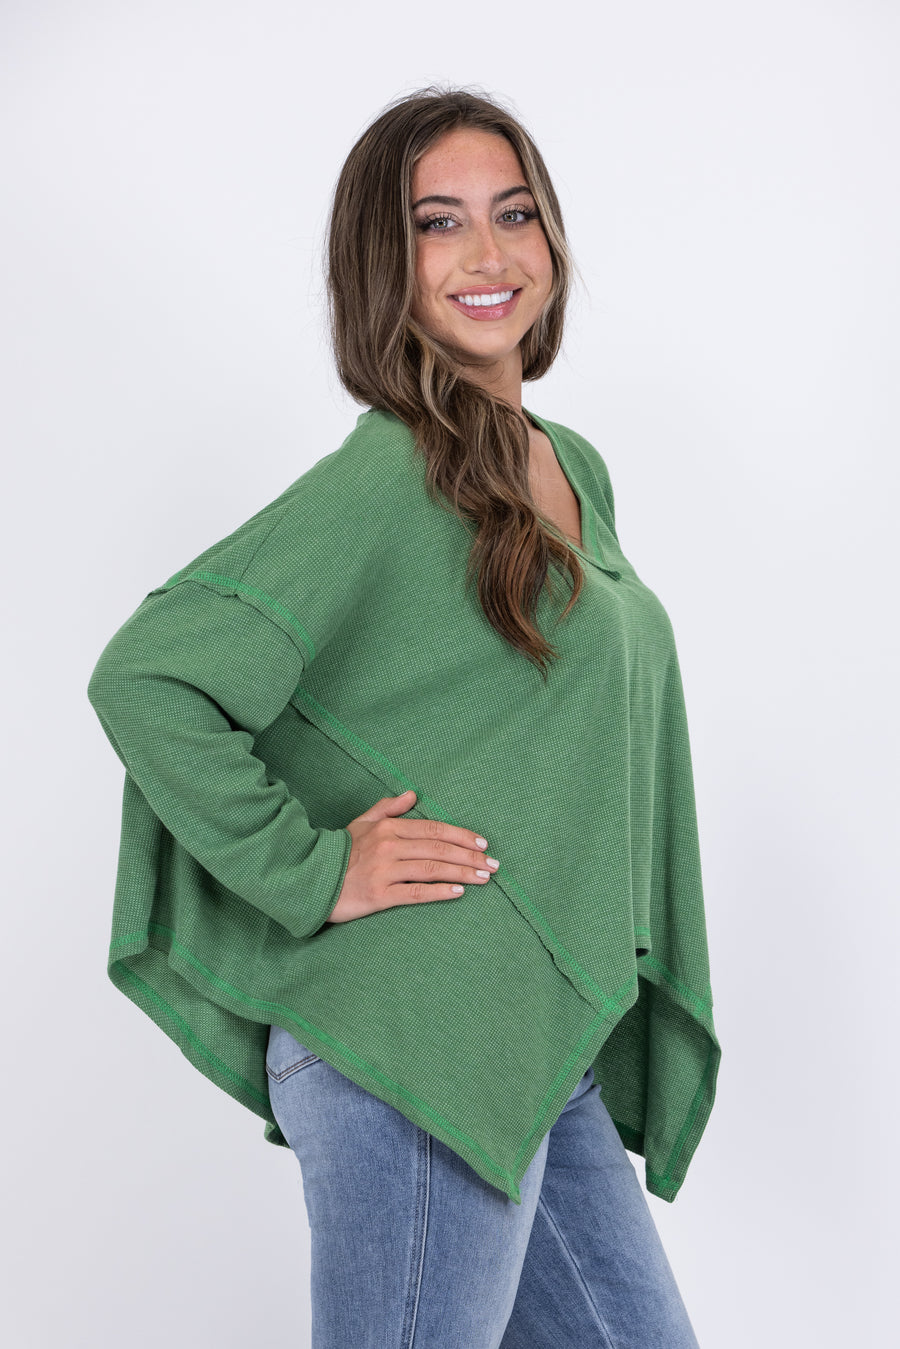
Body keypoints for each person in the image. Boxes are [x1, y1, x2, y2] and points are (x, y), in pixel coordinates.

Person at [88, 85, 721, 1348]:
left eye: (515, 214)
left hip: (535, 1041)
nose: (488, 254)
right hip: (414, 1031)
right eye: (440, 223)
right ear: (388, 263)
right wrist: (315, 868)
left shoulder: (570, 465)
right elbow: (148, 674)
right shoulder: (393, 467)